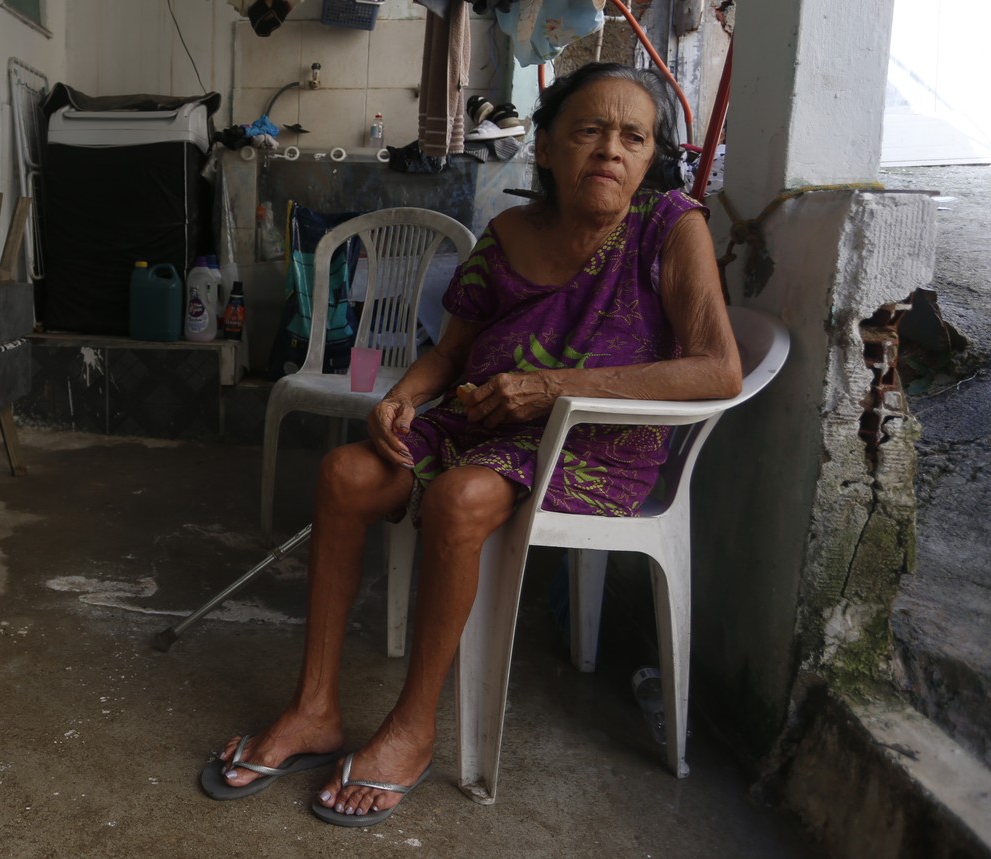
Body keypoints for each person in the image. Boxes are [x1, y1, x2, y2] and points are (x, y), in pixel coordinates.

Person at [200, 62, 742, 827]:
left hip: (593, 443)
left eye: (634, 136)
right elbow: (450, 352)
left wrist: (550, 389)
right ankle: (314, 706)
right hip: (478, 419)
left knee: (459, 498)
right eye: (589, 130)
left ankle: (414, 726)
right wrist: (401, 396)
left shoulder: (670, 226)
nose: (611, 151)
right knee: (347, 473)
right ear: (547, 148)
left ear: (652, 156)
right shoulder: (509, 233)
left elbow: (718, 367)